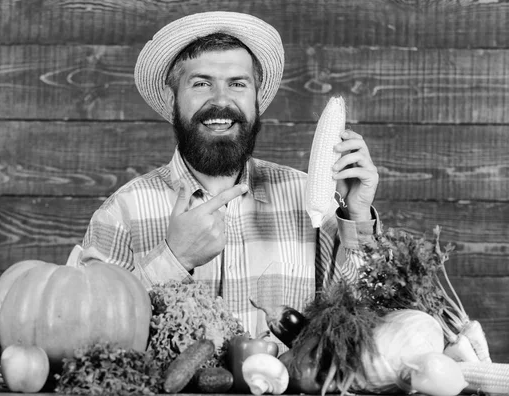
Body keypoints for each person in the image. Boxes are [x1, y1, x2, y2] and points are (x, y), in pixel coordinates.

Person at [81, 11, 380, 343]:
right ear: (171, 99)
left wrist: (358, 215)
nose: (221, 101)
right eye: (201, 83)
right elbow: (87, 332)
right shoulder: (121, 213)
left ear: (255, 98)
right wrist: (173, 258)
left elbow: (368, 319)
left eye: (237, 84)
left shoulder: (309, 200)